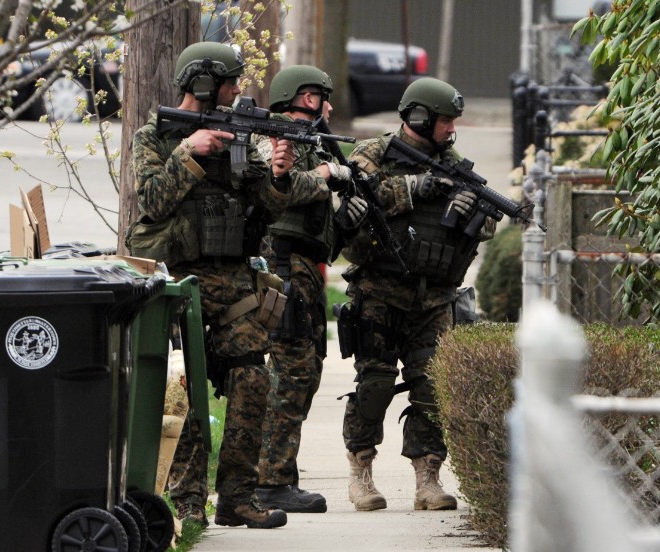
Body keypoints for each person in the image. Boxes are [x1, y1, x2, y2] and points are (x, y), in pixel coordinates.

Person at [129, 41, 294, 529]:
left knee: (252, 380)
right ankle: (186, 500)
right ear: (202, 83)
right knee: (184, 389)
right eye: (230, 81)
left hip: (234, 286)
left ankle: (236, 497)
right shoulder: (155, 137)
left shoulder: (240, 136)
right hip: (180, 285)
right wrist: (190, 152)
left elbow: (267, 209)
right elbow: (154, 202)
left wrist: (280, 177)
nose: (239, 89)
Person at [338, 77, 497, 512]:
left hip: (433, 298)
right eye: (445, 120)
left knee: (432, 389)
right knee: (374, 383)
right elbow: (351, 200)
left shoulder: (455, 161)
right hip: (379, 291)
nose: (451, 129)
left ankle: (428, 477)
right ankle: (361, 473)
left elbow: (486, 224)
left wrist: (473, 216)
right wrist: (410, 189)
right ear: (420, 117)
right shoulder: (375, 154)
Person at [251, 65, 367, 513]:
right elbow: (274, 186)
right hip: (280, 267)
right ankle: (270, 481)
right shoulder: (274, 139)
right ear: (298, 97)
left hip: (304, 269)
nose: (330, 106)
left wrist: (344, 221)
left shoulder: (311, 144)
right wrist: (326, 175)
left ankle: (281, 471)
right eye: (321, 97)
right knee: (290, 372)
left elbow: (319, 230)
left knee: (306, 370)